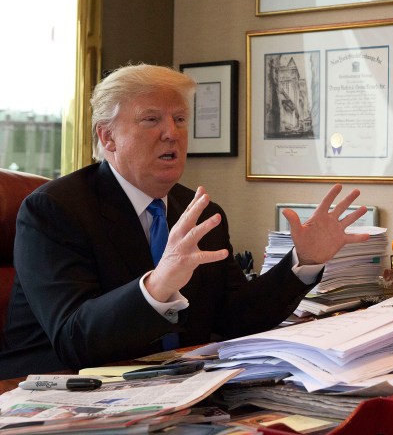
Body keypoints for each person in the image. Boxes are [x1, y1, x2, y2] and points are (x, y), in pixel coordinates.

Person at [0, 64, 370, 379]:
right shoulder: (54, 210)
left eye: (179, 119)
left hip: (176, 382)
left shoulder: (202, 212)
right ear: (107, 137)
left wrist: (302, 262)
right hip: (62, 390)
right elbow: (74, 339)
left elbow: (234, 319)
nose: (171, 132)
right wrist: (158, 285)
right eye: (151, 120)